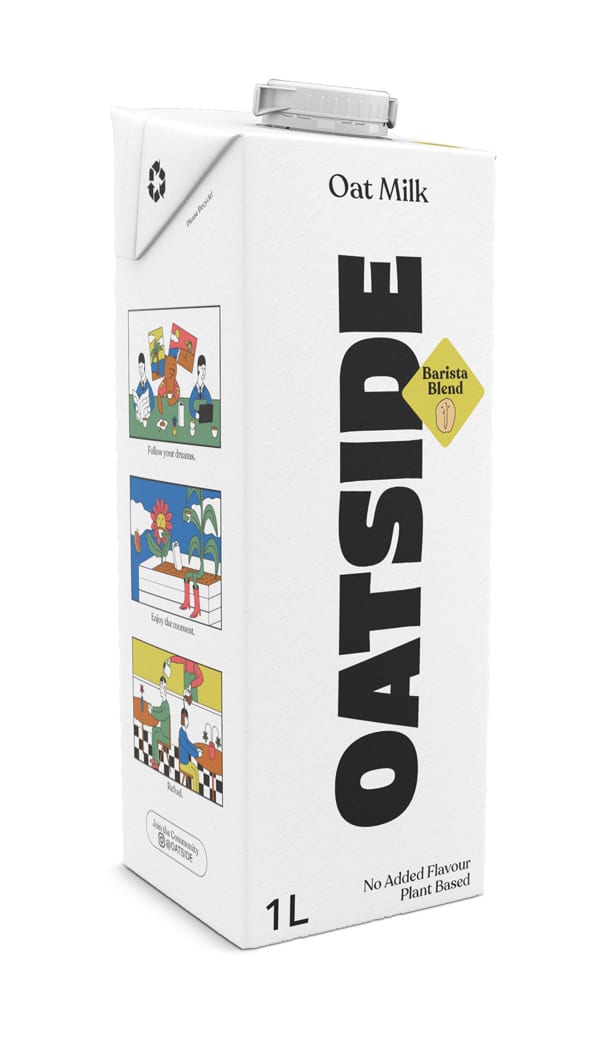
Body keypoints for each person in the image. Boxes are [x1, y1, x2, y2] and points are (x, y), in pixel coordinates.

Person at [149, 676, 171, 769]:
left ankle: (157, 762)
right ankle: (155, 757)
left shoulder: (167, 706)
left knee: (155, 736)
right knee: (154, 729)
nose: (160, 689)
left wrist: (152, 712)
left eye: (162, 687)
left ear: (165, 690)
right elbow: (159, 709)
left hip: (166, 737)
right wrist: (153, 708)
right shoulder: (163, 703)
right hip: (162, 731)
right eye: (160, 687)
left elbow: (161, 716)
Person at [178, 707, 201, 793]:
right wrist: (197, 754)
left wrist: (196, 748)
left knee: (196, 770)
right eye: (187, 720)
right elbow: (186, 747)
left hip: (186, 762)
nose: (188, 722)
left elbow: (189, 743)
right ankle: (195, 792)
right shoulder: (181, 733)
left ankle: (196, 791)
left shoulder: (183, 732)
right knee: (195, 774)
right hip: (183, 764)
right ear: (184, 719)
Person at [133, 352, 155, 423]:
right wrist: (136, 407)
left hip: (146, 412)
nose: (141, 370)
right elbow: (135, 398)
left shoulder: (147, 384)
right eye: (139, 368)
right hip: (140, 412)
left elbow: (152, 398)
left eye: (142, 367)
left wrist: (149, 408)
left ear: (145, 367)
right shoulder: (139, 385)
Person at [189, 354, 212, 419]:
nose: (204, 372)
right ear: (198, 368)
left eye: (205, 369)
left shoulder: (205, 390)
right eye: (202, 368)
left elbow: (209, 402)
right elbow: (190, 406)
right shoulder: (194, 390)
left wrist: (203, 415)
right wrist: (196, 415)